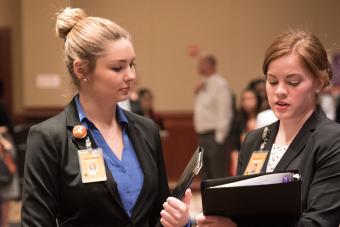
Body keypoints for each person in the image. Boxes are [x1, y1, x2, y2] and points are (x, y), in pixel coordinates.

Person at [22, 8, 190, 227]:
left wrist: (179, 222)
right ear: (81, 69)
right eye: (117, 67)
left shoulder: (147, 130)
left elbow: (157, 214)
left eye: (132, 64)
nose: (131, 75)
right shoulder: (48, 138)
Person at [196, 30, 340, 226]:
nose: (279, 91)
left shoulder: (332, 141)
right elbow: (240, 210)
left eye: (293, 82)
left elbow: (318, 223)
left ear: (318, 82)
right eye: (272, 81)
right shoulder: (254, 139)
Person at [193, 54, 233, 179]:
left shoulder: (220, 84)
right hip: (203, 137)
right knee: (206, 176)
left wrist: (219, 139)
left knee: (218, 176)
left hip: (215, 137)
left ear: (208, 65)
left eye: (201, 63)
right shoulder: (203, 84)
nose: (197, 66)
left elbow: (225, 113)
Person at [229, 88, 262, 175]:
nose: (247, 102)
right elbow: (234, 146)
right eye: (244, 99)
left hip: (261, 158)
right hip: (244, 159)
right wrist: (236, 164)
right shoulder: (238, 120)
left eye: (250, 98)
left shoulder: (264, 118)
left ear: (257, 99)